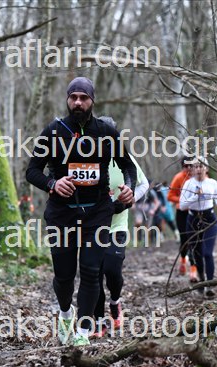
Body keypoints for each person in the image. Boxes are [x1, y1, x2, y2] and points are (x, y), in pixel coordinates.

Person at [26, 77, 137, 346]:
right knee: (64, 277)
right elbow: (32, 171)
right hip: (62, 214)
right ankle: (66, 313)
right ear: (67, 100)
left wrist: (129, 188)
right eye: (73, 97)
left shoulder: (107, 132)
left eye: (83, 98)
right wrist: (53, 184)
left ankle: (83, 332)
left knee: (90, 271)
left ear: (92, 101)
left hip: (97, 213)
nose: (78, 102)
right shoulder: (53, 131)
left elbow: (128, 166)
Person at [92, 116, 149, 338]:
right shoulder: (86, 158)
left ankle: (115, 301)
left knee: (112, 270)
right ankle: (98, 321)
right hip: (92, 226)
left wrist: (129, 199)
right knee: (94, 274)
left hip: (117, 225)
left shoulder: (125, 159)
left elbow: (143, 184)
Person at [179, 156, 217, 297]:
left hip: (209, 219)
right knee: (197, 253)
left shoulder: (212, 183)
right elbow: (182, 205)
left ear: (207, 168)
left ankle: (210, 285)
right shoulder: (188, 184)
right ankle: (202, 280)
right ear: (192, 170)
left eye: (201, 166)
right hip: (193, 220)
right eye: (196, 166)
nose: (199, 169)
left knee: (207, 253)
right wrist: (195, 197)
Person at [168, 157, 194, 277]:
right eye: (185, 166)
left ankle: (193, 268)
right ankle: (183, 260)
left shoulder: (198, 177)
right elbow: (170, 196)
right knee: (184, 239)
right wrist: (183, 200)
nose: (188, 168)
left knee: (195, 239)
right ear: (182, 167)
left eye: (190, 166)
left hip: (196, 212)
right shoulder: (178, 178)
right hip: (182, 212)